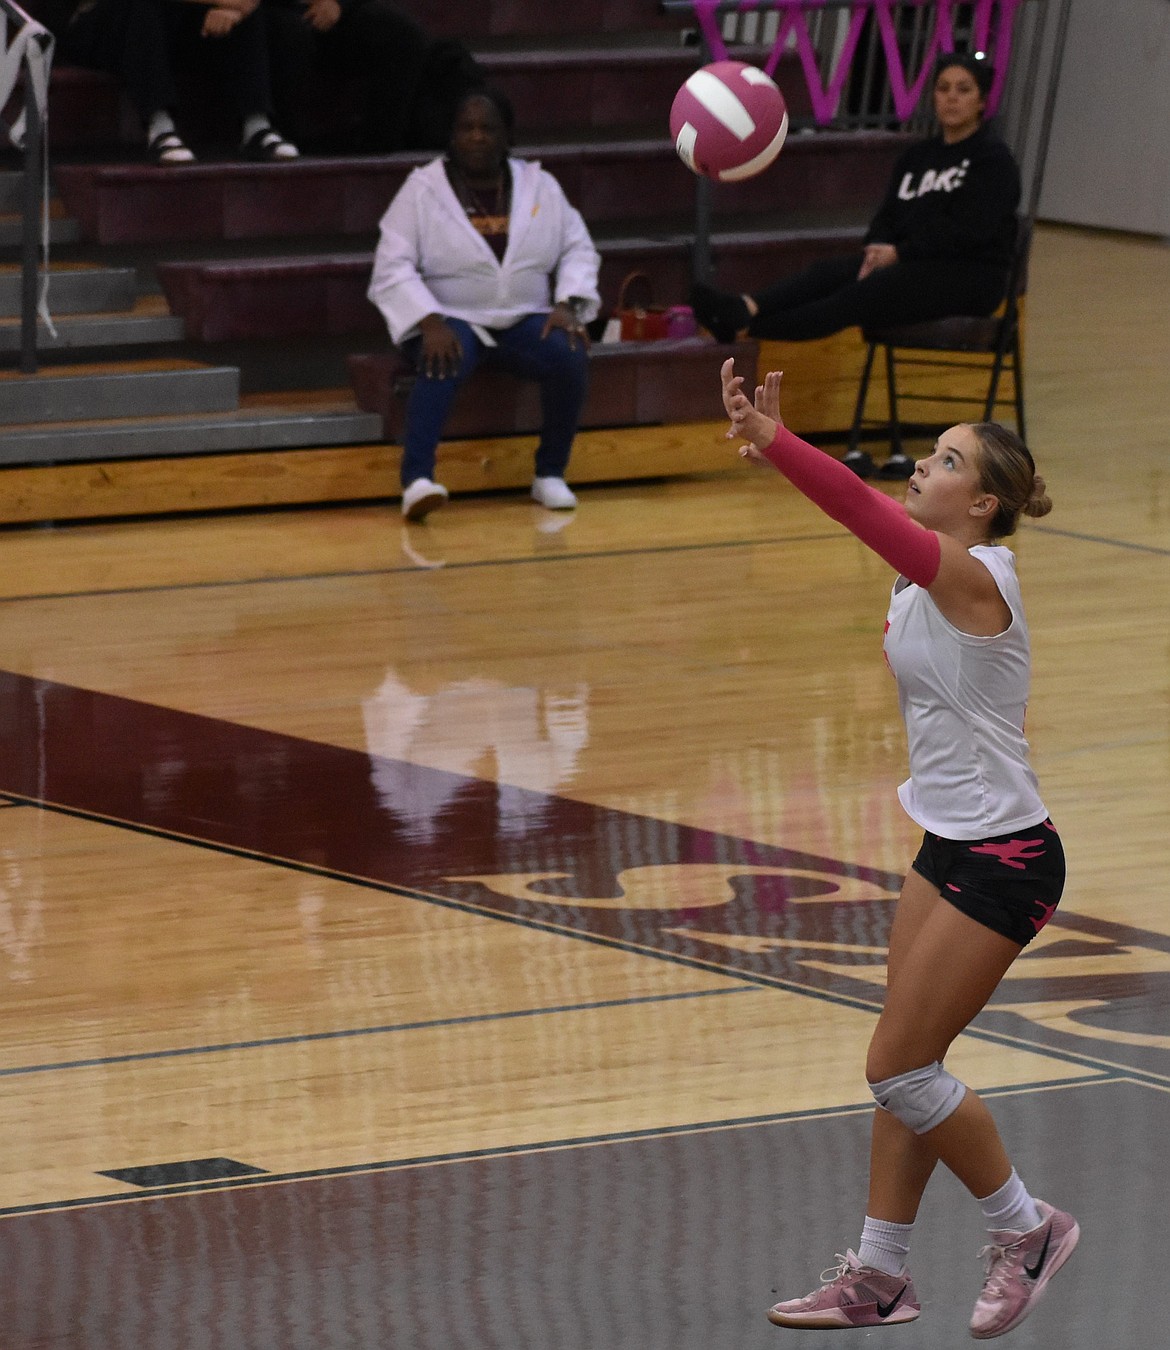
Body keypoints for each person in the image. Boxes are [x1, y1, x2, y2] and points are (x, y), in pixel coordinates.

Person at [721, 357, 1078, 1341]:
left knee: (898, 1068)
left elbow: (856, 508)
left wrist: (777, 440)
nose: (924, 464)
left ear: (985, 504)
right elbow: (865, 510)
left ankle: (1029, 1229)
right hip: (949, 844)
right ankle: (880, 1275)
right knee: (908, 1063)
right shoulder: (925, 561)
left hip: (1008, 856)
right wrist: (781, 456)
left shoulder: (973, 576)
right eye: (932, 452)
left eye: (948, 460)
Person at [693, 52, 1021, 481]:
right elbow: (886, 217)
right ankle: (746, 308)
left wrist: (899, 253)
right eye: (943, 88)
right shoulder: (916, 157)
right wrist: (878, 246)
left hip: (969, 277)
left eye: (963, 90)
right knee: (830, 272)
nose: (951, 99)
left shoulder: (992, 161)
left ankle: (745, 327)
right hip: (908, 267)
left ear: (981, 101)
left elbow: (970, 230)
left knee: (860, 296)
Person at [367, 88, 601, 522]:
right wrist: (428, 319)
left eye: (488, 128)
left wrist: (568, 302)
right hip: (449, 317)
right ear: (452, 137)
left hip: (523, 317)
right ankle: (417, 480)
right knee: (444, 357)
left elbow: (578, 249)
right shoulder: (422, 189)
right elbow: (392, 264)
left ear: (506, 136)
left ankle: (550, 473)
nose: (477, 137)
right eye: (467, 128)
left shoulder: (540, 185)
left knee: (569, 351)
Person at [51, 0, 300, 163]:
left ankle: (256, 125)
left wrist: (233, 9)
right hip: (99, 22)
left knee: (249, 16)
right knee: (142, 8)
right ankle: (160, 126)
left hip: (171, 19)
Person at [262, 0, 485, 154]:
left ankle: (382, 138)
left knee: (402, 34)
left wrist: (338, 4)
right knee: (290, 36)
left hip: (336, 12)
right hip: (273, 11)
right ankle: (280, 134)